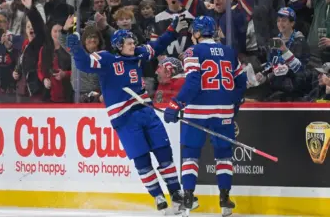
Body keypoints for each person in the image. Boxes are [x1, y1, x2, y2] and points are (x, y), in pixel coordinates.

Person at [67, 15, 198, 213]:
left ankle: (176, 194)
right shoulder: (106, 59)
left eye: (133, 42)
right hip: (124, 119)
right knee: (142, 159)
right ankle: (158, 196)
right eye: (129, 43)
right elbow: (84, 63)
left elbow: (158, 45)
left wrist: (172, 30)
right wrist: (73, 40)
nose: (133, 45)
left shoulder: (138, 55)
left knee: (164, 153)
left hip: (146, 111)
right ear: (119, 45)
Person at [163, 16, 247, 217]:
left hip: (198, 111)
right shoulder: (229, 51)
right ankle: (225, 199)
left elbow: (193, 82)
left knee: (191, 153)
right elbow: (242, 81)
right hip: (224, 111)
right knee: (224, 154)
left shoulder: (193, 51)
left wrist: (176, 104)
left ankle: (189, 198)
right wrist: (232, 104)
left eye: (194, 31)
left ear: (198, 33)